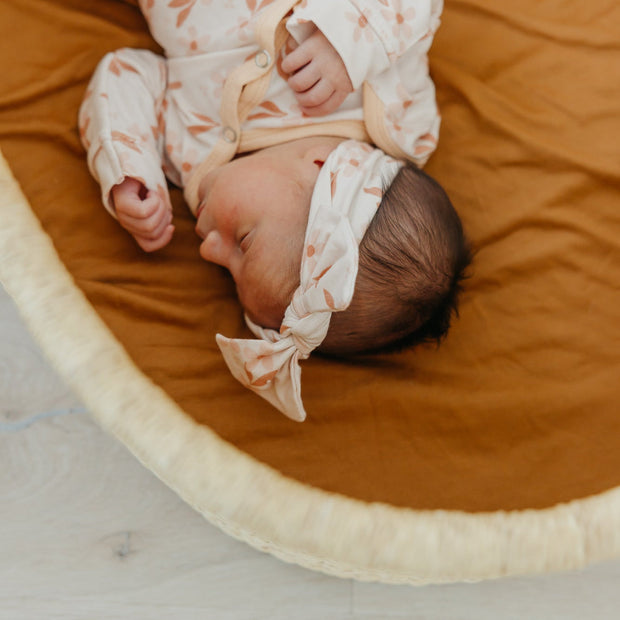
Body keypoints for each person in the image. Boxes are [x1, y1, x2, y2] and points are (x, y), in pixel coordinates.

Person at [79, 0, 471, 420]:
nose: (208, 249)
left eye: (228, 270)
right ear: (321, 165)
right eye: (243, 243)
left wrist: (129, 167)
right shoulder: (401, 123)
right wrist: (348, 39)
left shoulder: (190, 159)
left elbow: (126, 73)